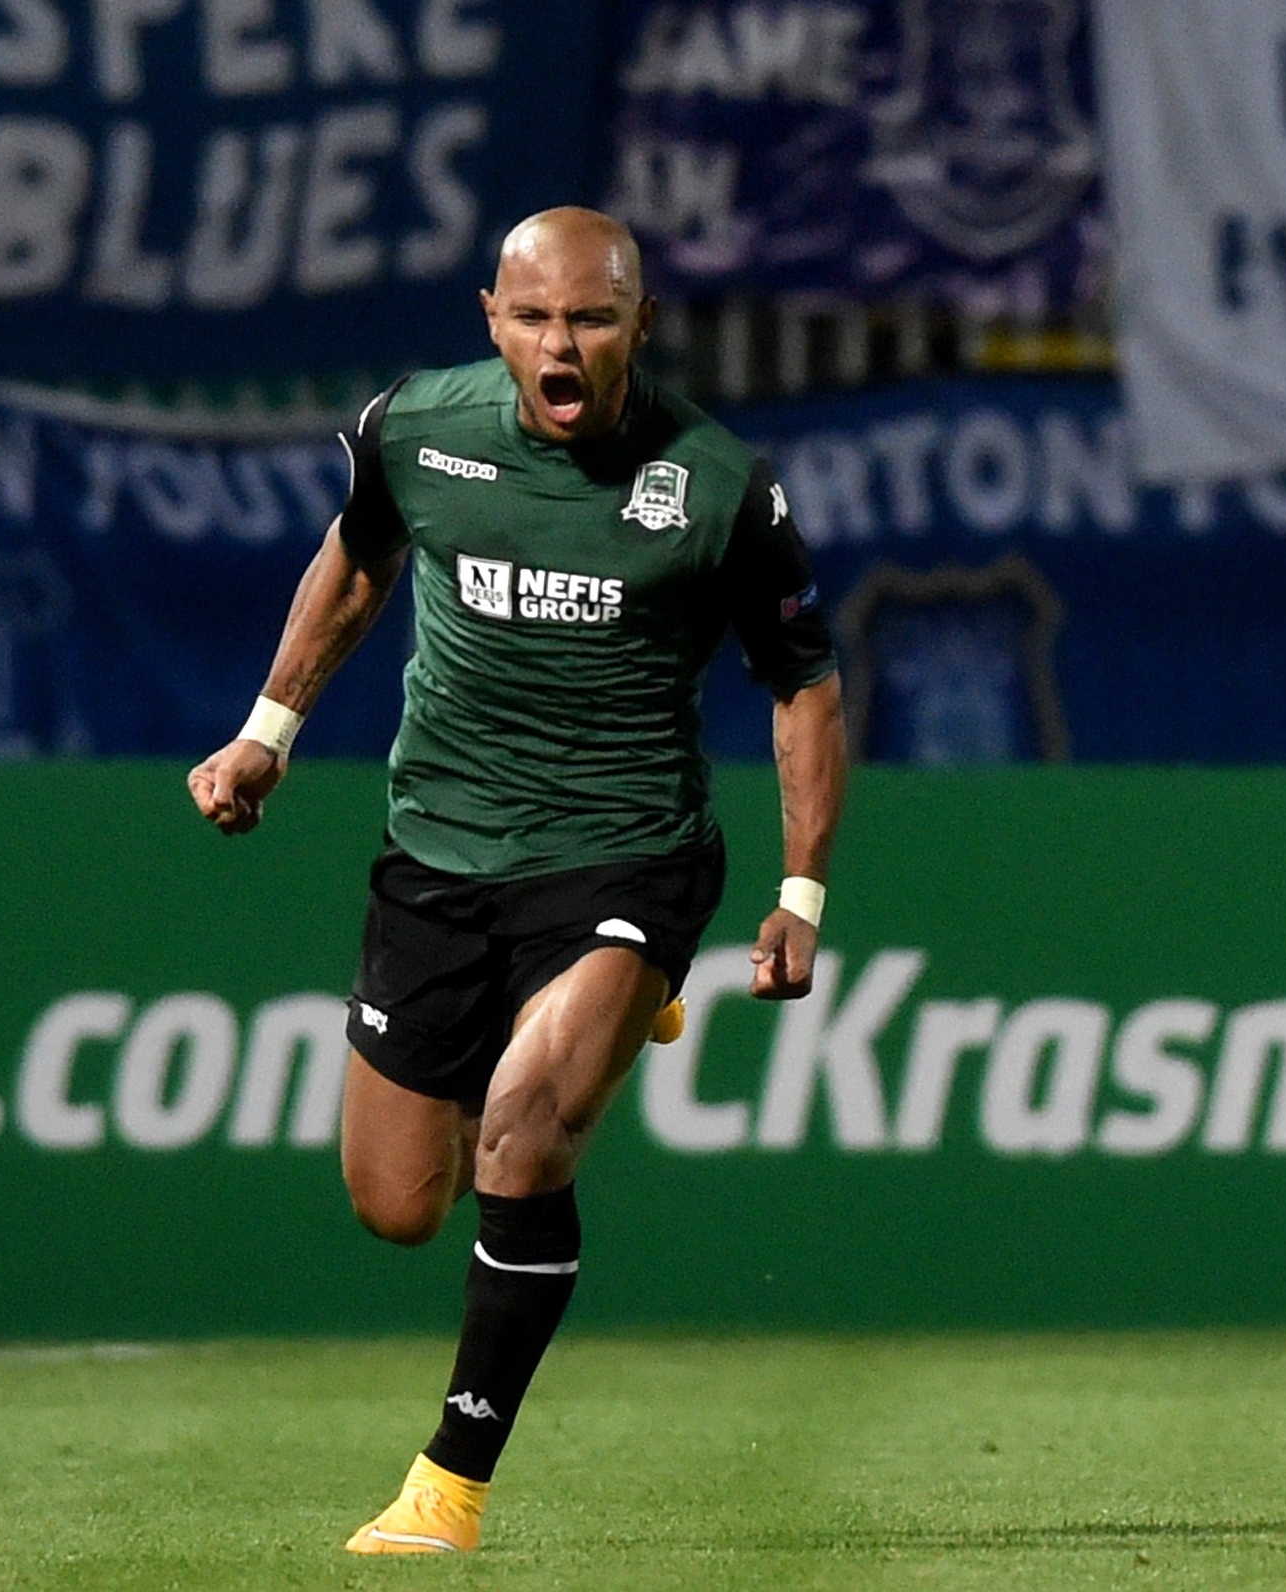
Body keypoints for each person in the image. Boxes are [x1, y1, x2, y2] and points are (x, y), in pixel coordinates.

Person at [186, 206, 846, 1555]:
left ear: (638, 329)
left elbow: (803, 685)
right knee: (396, 1206)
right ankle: (606, 1011)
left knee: (524, 1130)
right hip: (439, 846)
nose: (562, 343)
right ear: (490, 316)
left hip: (628, 848)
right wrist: (268, 731)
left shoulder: (715, 484)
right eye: (536, 317)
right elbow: (359, 558)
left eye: (592, 319)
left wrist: (800, 891)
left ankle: (449, 1483)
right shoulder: (414, 432)